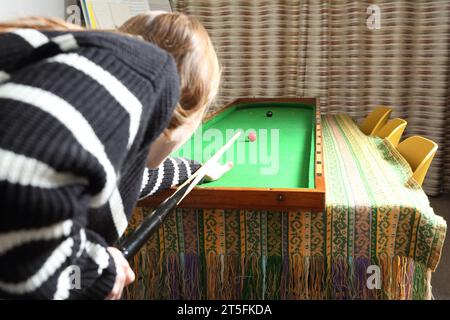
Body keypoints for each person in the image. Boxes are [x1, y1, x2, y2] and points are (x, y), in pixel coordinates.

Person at [0, 12, 232, 300]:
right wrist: (98, 270)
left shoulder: (111, 130)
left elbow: (127, 177)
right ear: (183, 114)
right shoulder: (149, 68)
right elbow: (12, 186)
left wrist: (196, 170)